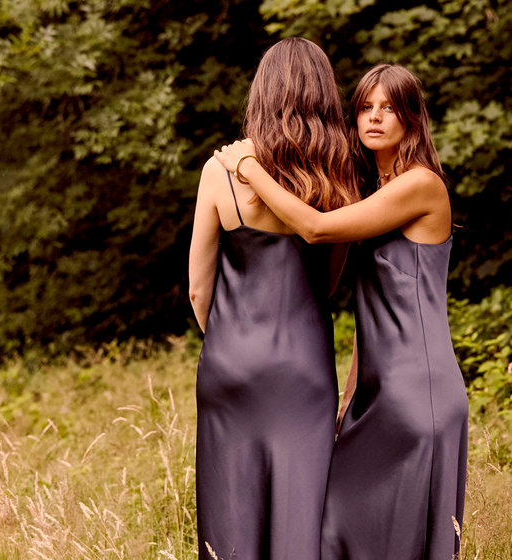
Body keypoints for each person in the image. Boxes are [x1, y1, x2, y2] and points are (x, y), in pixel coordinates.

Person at [215, 63, 468, 560]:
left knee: (378, 542)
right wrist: (349, 393)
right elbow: (373, 307)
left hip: (419, 392)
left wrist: (248, 169)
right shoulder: (375, 192)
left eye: (389, 108)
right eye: (365, 108)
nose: (374, 118)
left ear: (412, 119)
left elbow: (316, 229)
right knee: (333, 534)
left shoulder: (422, 185)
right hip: (375, 393)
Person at [188, 37, 360, 560]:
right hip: (303, 364)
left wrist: (227, 339)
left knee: (230, 512)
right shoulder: (340, 172)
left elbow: (199, 287)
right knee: (300, 512)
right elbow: (329, 281)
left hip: (230, 360)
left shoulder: (221, 170)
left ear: (260, 94)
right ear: (324, 97)